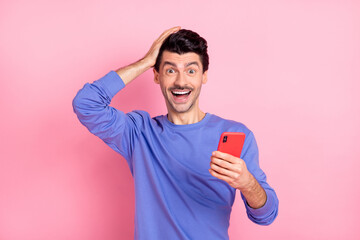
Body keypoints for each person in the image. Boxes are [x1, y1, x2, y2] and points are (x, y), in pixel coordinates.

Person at [72, 27, 278, 240]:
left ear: (203, 76)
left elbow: (266, 215)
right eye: (171, 70)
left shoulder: (235, 134)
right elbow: (86, 104)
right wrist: (145, 61)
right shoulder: (139, 133)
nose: (181, 81)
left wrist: (246, 182)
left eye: (191, 70)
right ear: (157, 75)